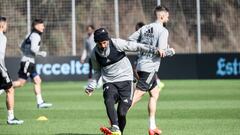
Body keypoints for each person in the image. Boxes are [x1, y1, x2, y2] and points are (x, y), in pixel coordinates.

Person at [85, 28, 167, 135]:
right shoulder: (94, 54)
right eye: (100, 44)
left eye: (105, 42)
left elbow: (137, 46)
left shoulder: (117, 43)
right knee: (108, 99)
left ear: (108, 40)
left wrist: (155, 49)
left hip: (126, 80)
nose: (103, 45)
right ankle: (114, 126)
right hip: (110, 81)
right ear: (96, 43)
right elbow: (97, 71)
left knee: (122, 112)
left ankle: (119, 132)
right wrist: (91, 86)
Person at [129, 5, 174, 135]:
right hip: (149, 67)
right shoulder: (163, 31)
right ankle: (114, 119)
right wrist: (170, 51)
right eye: (167, 15)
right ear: (161, 16)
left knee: (155, 93)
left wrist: (143, 47)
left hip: (141, 65)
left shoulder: (145, 27)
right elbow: (161, 52)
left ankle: (152, 126)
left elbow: (131, 40)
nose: (168, 17)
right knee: (138, 94)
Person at [13, 19, 52, 108]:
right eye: (42, 25)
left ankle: (40, 102)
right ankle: (3, 87)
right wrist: (41, 53)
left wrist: (25, 53)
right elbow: (33, 49)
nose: (43, 27)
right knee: (21, 83)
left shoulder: (30, 34)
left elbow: (21, 46)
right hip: (28, 62)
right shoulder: (36, 36)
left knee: (37, 80)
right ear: (37, 26)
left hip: (29, 61)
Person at [0, 16, 24, 125]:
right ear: (2, 25)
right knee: (10, 89)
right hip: (0, 69)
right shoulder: (2, 37)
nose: (7, 26)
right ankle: (11, 118)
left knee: (8, 88)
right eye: (6, 24)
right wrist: (3, 70)